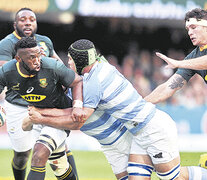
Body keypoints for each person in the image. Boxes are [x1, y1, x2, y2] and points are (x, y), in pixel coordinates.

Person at [23, 39, 207, 180]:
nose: (68, 63)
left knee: (172, 177)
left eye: (71, 59)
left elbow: (78, 119)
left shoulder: (92, 82)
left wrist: (39, 117)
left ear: (80, 60)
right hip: (136, 134)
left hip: (152, 128)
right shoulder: (98, 68)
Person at [0, 7, 78, 180]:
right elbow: (6, 71)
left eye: (32, 19)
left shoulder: (45, 41)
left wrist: (60, 73)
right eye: (23, 19)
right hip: (18, 105)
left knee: (58, 149)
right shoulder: (6, 43)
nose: (28, 22)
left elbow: (57, 63)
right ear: (15, 24)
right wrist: (32, 57)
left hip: (45, 103)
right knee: (22, 155)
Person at [144, 8, 207, 104]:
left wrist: (178, 63)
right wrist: (138, 107)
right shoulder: (193, 58)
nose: (190, 32)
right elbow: (167, 88)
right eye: (188, 29)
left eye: (193, 27)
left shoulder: (187, 62)